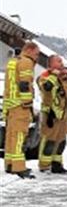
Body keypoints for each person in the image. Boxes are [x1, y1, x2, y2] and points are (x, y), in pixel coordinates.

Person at [36, 55, 67, 174]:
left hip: (63, 114)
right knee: (49, 140)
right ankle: (44, 165)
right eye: (58, 61)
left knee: (61, 140)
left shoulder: (64, 77)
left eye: (61, 61)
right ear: (50, 64)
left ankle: (57, 164)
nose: (61, 63)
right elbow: (46, 87)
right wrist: (55, 75)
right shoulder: (45, 76)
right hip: (50, 113)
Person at [3, 41, 39, 178]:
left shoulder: (13, 62)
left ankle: (10, 164)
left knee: (11, 136)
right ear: (29, 51)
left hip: (11, 105)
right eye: (36, 54)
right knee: (19, 136)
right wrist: (27, 103)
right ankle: (19, 167)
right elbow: (24, 84)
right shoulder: (26, 62)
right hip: (20, 106)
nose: (37, 57)